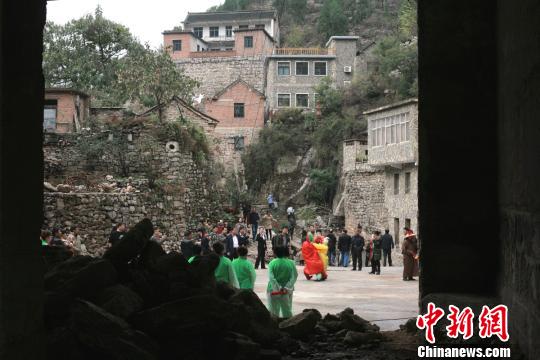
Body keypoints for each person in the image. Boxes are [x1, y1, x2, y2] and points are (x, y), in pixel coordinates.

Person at [267, 246, 298, 318]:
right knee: (287, 310)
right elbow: (294, 276)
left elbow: (271, 278)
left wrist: (278, 288)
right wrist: (286, 287)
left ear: (276, 253)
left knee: (273, 311)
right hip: (287, 291)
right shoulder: (291, 263)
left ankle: (274, 326)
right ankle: (288, 326)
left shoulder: (272, 263)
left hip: (273, 290)